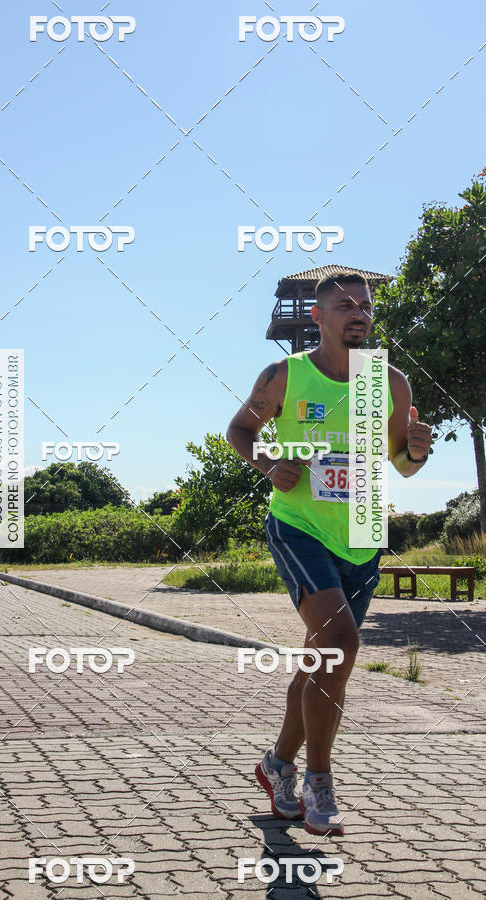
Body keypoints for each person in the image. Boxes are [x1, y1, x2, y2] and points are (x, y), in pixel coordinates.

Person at [226, 272, 432, 835]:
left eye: (364, 305)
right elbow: (239, 428)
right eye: (344, 305)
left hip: (363, 533)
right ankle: (320, 783)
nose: (358, 313)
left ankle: (276, 765)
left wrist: (416, 452)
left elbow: (403, 465)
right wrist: (268, 464)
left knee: (323, 658)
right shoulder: (284, 374)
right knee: (341, 645)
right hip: (299, 527)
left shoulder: (387, 383)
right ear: (316, 317)